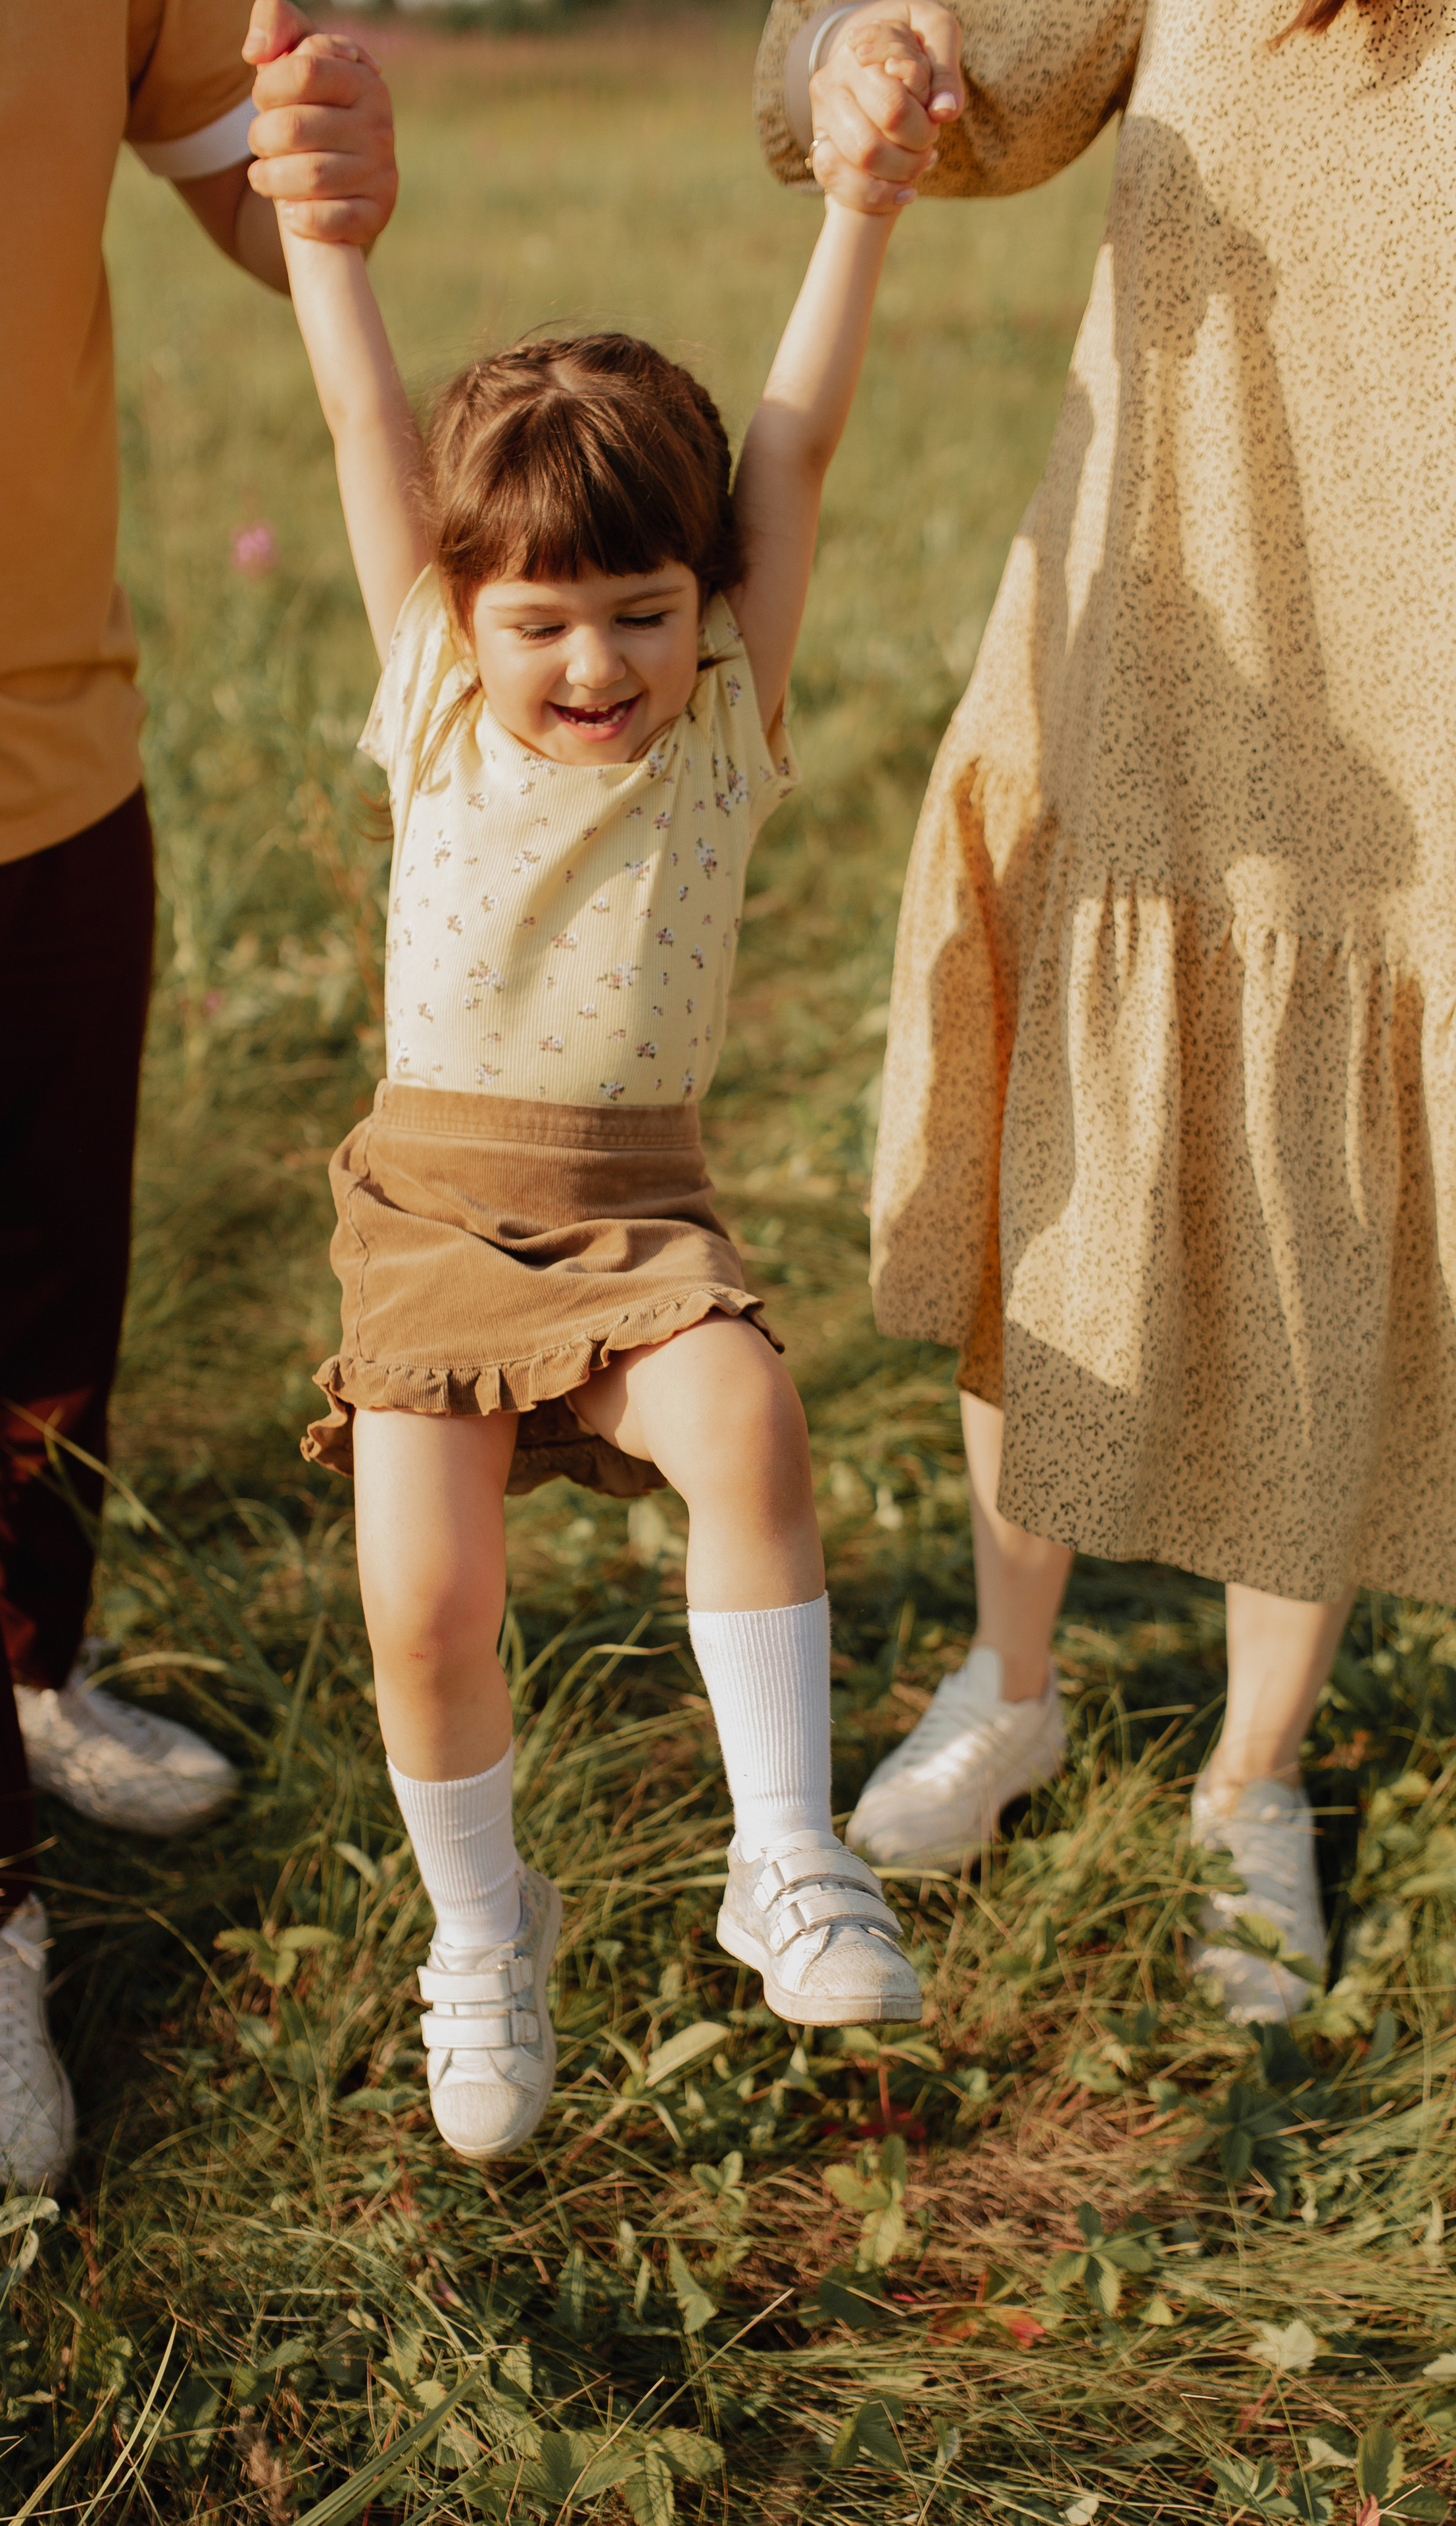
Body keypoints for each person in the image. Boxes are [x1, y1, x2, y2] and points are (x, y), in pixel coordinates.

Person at [268, 15, 961, 2161]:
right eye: (548, 623)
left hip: (639, 1215)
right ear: (465, 617)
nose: (596, 666)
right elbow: (365, 418)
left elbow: (798, 446)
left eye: (643, 616)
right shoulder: (435, 688)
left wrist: (860, 208)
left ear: (704, 610)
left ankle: (785, 1856)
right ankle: (485, 1935)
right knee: (423, 1602)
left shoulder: (723, 714)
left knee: (747, 1419)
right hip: (433, 1219)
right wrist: (326, 244)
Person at [755, 0, 1456, 2023]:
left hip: (1412, 701)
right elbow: (952, 78)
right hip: (1156, 640)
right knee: (1060, 1169)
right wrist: (860, 58)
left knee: (1329, 1216)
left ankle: (1253, 1777)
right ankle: (1011, 1679)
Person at [0, 0, 395, 2192]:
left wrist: (326, 166)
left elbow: (244, 181)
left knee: (48, 1292)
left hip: (59, 756)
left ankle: (33, 1683)